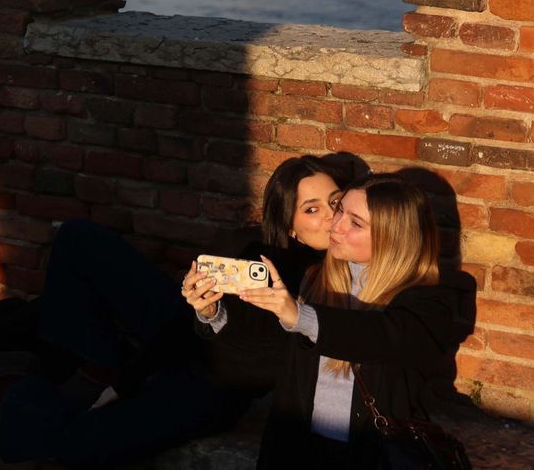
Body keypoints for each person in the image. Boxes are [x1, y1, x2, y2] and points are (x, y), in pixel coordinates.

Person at [0, 152, 370, 466]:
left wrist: (215, 320)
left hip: (208, 391)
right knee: (78, 237)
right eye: (311, 209)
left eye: (335, 203)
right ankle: (87, 366)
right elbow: (180, 325)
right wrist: (125, 381)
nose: (330, 218)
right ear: (289, 226)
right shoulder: (260, 256)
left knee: (64, 444)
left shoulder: (343, 277)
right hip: (185, 339)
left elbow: (257, 363)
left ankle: (27, 388)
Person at [184, 172, 461, 469]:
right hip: (300, 450)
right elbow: (266, 346)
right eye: (341, 208)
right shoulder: (315, 279)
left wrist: (299, 315)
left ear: (392, 236)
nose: (336, 225)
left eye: (355, 223)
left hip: (374, 454)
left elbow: (386, 337)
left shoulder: (428, 298)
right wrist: (212, 312)